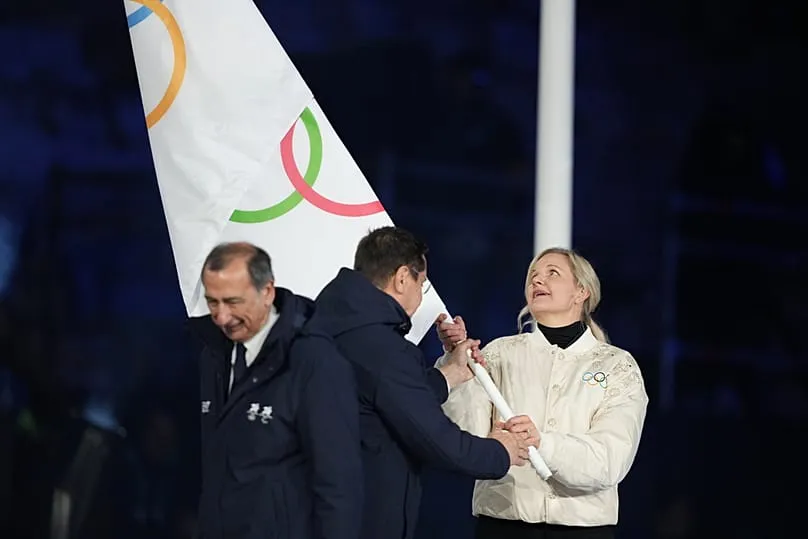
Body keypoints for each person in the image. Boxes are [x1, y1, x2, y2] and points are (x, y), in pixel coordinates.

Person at [306, 226, 534, 539]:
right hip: (361, 516)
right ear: (402, 278)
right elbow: (434, 438)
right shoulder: (383, 348)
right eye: (422, 284)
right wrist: (500, 451)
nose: (420, 295)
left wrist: (449, 373)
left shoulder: (326, 325)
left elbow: (380, 397)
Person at [437, 247, 648, 539]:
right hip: (502, 526)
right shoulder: (498, 353)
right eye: (533, 276)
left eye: (552, 273)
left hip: (583, 531)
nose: (537, 280)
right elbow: (467, 438)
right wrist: (457, 366)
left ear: (581, 291)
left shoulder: (616, 365)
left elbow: (610, 461)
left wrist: (543, 443)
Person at [189, 242, 362, 539]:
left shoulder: (314, 362)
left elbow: (338, 485)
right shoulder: (213, 355)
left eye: (233, 302)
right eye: (212, 302)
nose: (221, 317)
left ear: (267, 291)